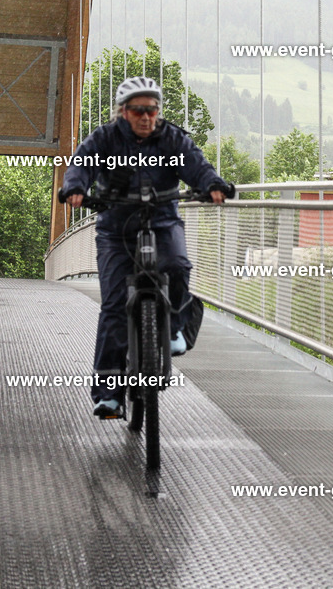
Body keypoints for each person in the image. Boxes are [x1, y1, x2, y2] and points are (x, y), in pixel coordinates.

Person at [59, 76, 232, 418]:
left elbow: (195, 164)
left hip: (162, 219)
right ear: (123, 112)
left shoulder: (171, 138)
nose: (146, 117)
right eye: (138, 109)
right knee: (113, 307)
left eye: (152, 109)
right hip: (115, 227)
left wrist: (212, 184)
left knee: (178, 267)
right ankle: (109, 394)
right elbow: (82, 163)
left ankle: (175, 329)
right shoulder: (105, 139)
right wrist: (76, 187)